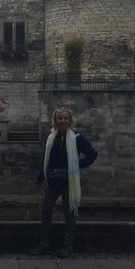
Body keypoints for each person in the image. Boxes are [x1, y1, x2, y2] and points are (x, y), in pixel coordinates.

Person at [30, 107, 98, 258]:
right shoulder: (51, 138)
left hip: (69, 181)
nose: (62, 121)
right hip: (52, 181)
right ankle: (44, 245)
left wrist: (77, 166)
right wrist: (42, 177)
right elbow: (45, 160)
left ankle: (67, 246)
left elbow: (92, 154)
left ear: (70, 120)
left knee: (70, 213)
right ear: (55, 121)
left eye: (65, 118)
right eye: (60, 118)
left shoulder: (77, 138)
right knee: (46, 210)